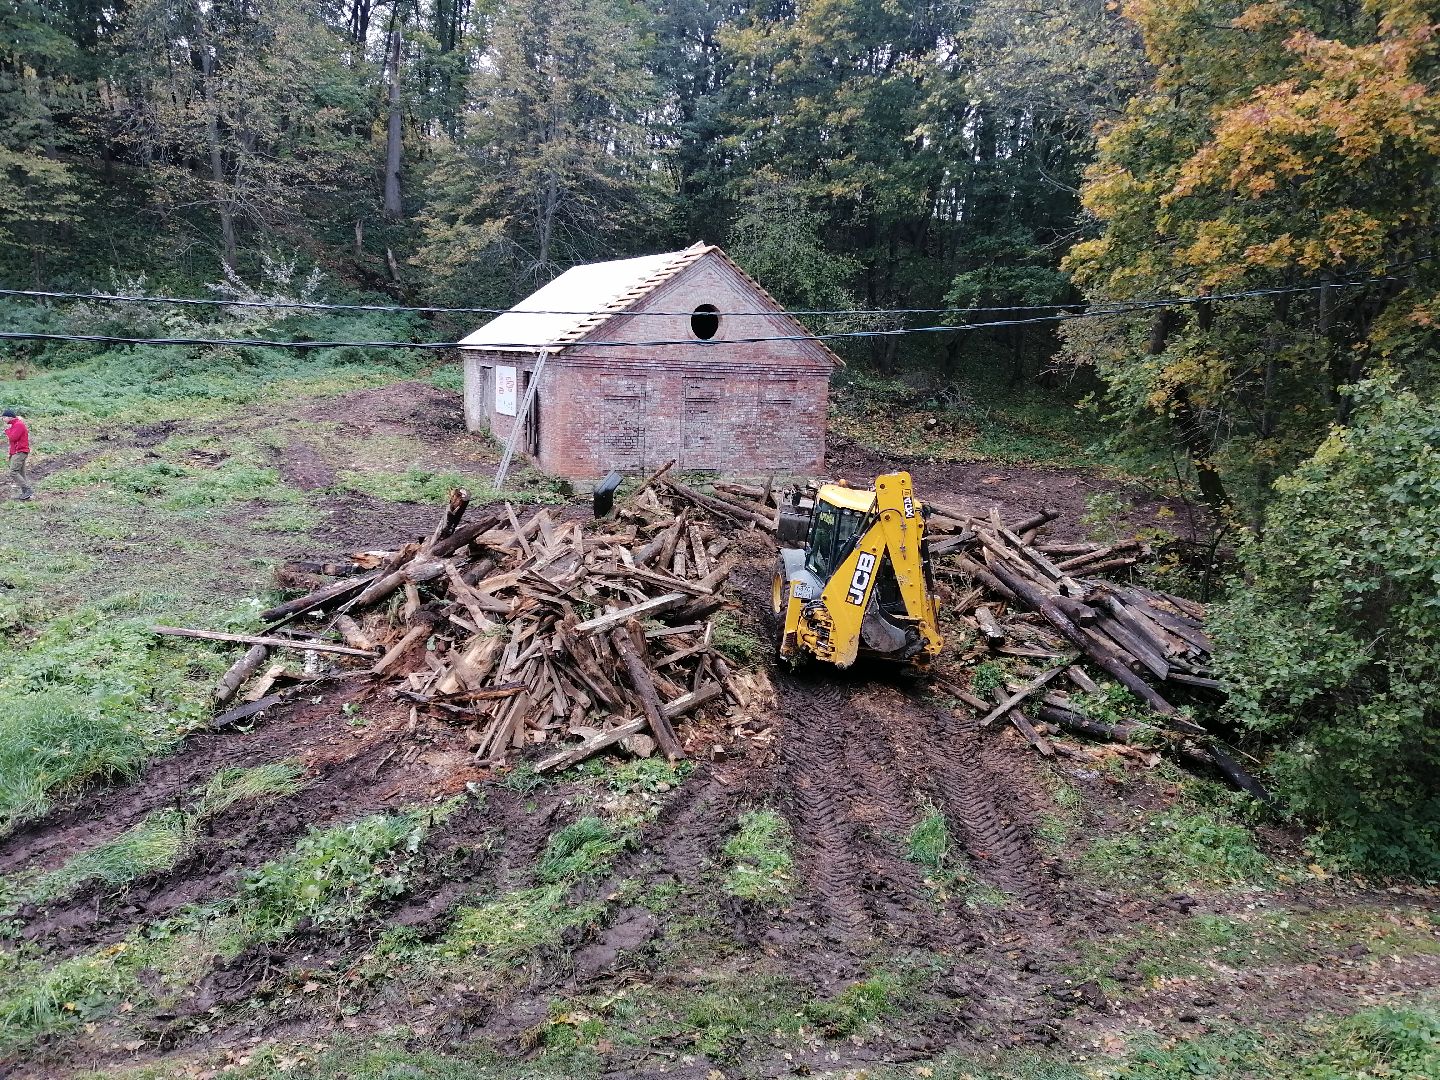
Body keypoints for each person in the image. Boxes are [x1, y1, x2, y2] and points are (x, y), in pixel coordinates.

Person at [4, 409, 33, 501]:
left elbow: (13, 438)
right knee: (21, 473)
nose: (3, 419)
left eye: (4, 417)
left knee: (13, 472)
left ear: (9, 417)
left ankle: (28, 490)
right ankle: (26, 494)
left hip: (20, 451)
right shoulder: (15, 424)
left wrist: (7, 431)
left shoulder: (18, 425)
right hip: (18, 451)